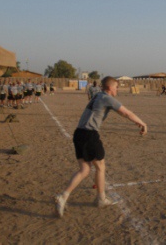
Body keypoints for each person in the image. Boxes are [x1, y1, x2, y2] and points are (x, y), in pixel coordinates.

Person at [54, 77, 147, 218]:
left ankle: (64, 196)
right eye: (116, 87)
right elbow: (126, 113)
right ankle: (101, 199)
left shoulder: (98, 94)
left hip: (79, 133)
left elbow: (122, 114)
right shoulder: (106, 98)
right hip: (89, 134)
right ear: (110, 88)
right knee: (100, 167)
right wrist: (143, 123)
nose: (118, 89)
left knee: (85, 169)